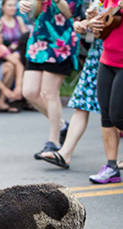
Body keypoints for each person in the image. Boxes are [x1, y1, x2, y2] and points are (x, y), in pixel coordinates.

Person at [39, 3, 105, 169]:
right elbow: (87, 23)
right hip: (98, 54)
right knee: (81, 103)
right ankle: (64, 154)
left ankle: (112, 162)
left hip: (116, 54)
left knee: (113, 111)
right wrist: (83, 24)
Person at [19, 0, 83, 159]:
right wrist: (24, 4)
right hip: (38, 41)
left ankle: (53, 142)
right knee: (29, 92)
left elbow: (70, 13)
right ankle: (62, 125)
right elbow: (32, 9)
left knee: (49, 93)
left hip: (61, 42)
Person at [88, 0, 123, 184]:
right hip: (107, 60)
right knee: (106, 115)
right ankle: (111, 167)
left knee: (118, 116)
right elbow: (97, 25)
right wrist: (92, 24)